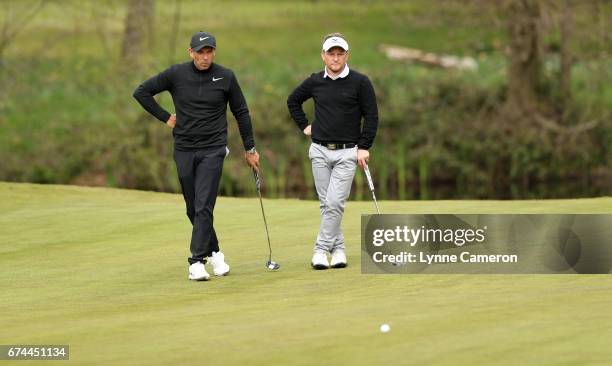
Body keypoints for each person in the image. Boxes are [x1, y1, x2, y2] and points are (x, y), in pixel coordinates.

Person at [133, 31, 260, 281]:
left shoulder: (226, 76)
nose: (205, 56)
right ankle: (215, 253)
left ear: (214, 52)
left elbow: (241, 113)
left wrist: (250, 149)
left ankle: (196, 261)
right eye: (200, 52)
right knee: (192, 208)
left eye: (209, 51)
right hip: (184, 148)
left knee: (204, 205)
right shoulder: (176, 74)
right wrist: (165, 117)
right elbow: (141, 92)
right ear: (190, 52)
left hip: (213, 149)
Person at [287, 33, 379, 269]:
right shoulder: (315, 81)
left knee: (335, 202)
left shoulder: (360, 82)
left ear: (347, 55)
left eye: (340, 53)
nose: (336, 58)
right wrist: (305, 126)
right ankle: (338, 251)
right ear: (323, 56)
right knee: (327, 204)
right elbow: (293, 100)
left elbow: (371, 116)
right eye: (331, 53)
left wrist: (364, 146)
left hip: (348, 153)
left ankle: (320, 250)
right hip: (319, 150)